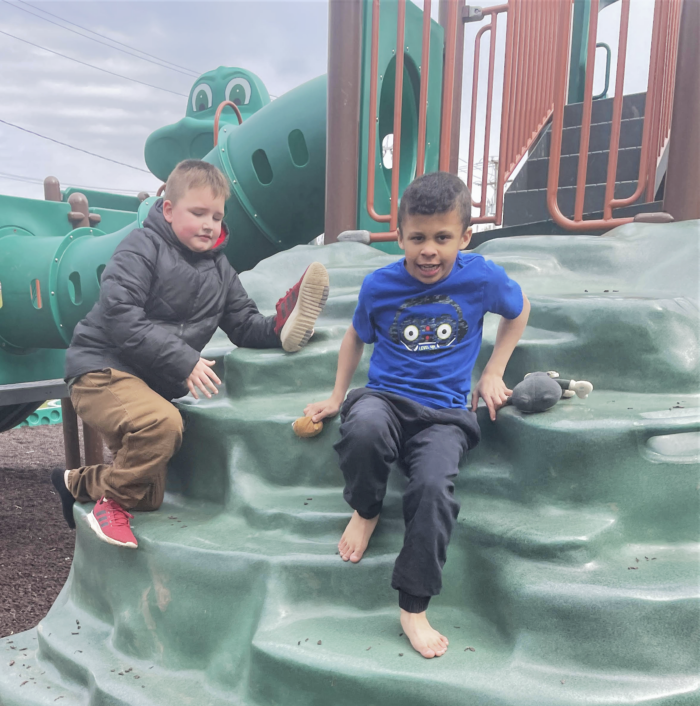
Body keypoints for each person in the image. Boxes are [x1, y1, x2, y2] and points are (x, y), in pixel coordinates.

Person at [304, 171, 530, 659]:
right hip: (384, 397)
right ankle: (366, 508)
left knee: (431, 490)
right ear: (401, 235)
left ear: (464, 237)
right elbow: (354, 336)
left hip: (446, 413)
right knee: (362, 429)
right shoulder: (380, 284)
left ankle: (413, 606)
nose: (429, 250)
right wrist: (338, 394)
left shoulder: (481, 276)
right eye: (418, 237)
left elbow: (519, 309)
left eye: (443, 238)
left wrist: (493, 370)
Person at [52, 159, 329, 548]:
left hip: (146, 382)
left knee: (148, 495)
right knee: (163, 425)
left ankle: (73, 483)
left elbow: (244, 324)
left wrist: (279, 326)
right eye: (197, 212)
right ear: (167, 209)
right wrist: (184, 360)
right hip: (101, 369)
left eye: (216, 216)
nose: (208, 224)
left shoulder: (220, 270)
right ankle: (109, 505)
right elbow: (119, 314)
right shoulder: (141, 247)